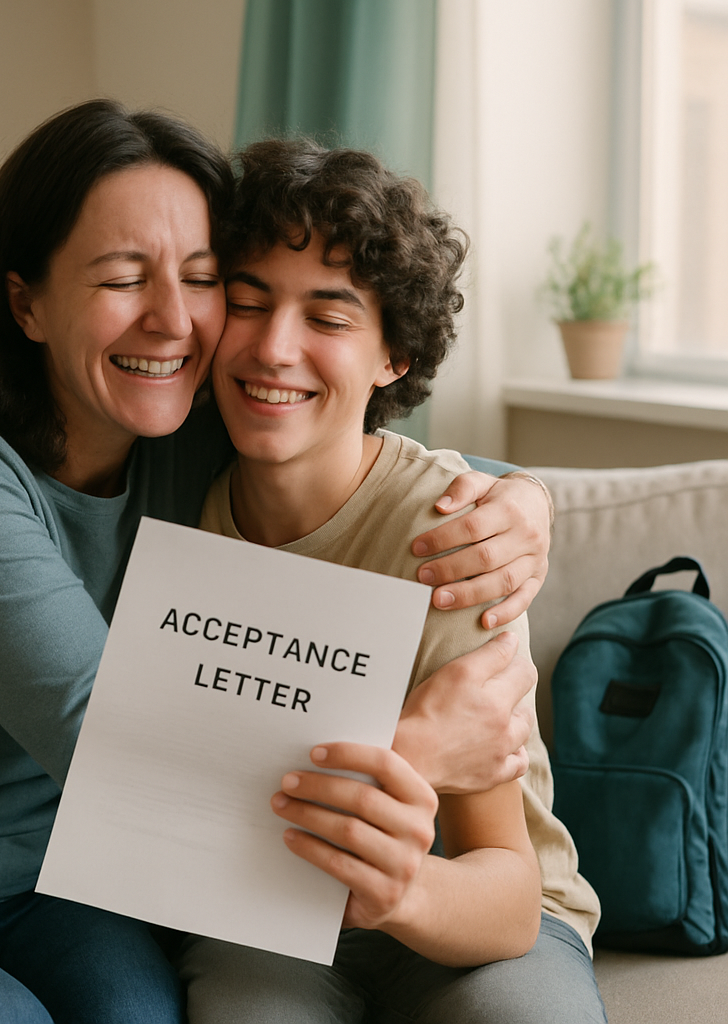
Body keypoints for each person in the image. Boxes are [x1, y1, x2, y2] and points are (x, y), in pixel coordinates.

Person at [0, 100, 551, 1024]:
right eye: (121, 278)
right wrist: (417, 744)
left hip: (58, 884)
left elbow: (360, 448)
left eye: (199, 280)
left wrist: (523, 499)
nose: (170, 321)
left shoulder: (186, 434)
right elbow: (102, 732)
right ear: (25, 300)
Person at [176, 139, 606, 1023]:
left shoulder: (455, 538)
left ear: (393, 356)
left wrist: (398, 892)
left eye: (328, 320)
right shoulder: (171, 501)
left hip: (471, 911)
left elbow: (509, 894)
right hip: (260, 911)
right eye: (246, 304)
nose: (273, 349)